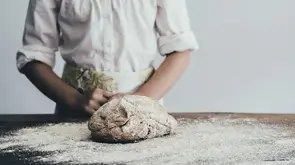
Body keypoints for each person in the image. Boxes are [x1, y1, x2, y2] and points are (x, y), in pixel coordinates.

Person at [16, 0, 199, 117]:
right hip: (73, 111)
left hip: (144, 111)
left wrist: (141, 99)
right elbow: (33, 55)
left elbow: (180, 50)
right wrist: (75, 100)